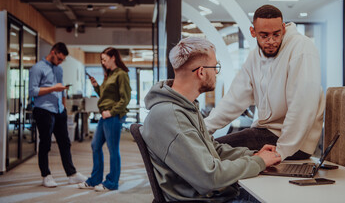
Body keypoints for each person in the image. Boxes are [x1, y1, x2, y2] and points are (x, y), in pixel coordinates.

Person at [140, 37, 281, 202]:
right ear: (201, 72)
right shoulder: (171, 117)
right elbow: (210, 177)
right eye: (215, 67)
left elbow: (214, 151)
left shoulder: (185, 107)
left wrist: (254, 155)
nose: (216, 72)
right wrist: (258, 162)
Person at [205, 4, 325, 161]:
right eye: (264, 35)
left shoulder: (301, 48)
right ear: (253, 32)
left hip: (294, 144)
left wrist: (281, 152)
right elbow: (233, 101)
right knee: (210, 149)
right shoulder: (254, 57)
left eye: (276, 34)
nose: (271, 41)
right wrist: (203, 129)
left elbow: (302, 105)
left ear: (283, 28)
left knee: (212, 152)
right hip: (264, 133)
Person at [29, 42, 87, 188]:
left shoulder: (59, 70)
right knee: (46, 143)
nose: (60, 62)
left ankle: (72, 174)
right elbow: (33, 91)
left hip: (59, 110)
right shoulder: (37, 68)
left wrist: (64, 106)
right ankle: (46, 175)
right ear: (53, 52)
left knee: (65, 142)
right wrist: (53, 88)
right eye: (59, 58)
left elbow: (61, 89)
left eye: (62, 60)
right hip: (43, 110)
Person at [78, 47, 131, 192]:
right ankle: (95, 179)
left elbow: (125, 99)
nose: (103, 62)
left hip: (113, 116)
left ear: (113, 57)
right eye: (101, 60)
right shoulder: (109, 74)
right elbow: (105, 95)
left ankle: (112, 182)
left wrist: (112, 112)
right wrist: (96, 86)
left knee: (113, 149)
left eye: (104, 59)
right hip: (104, 115)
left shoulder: (121, 74)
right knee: (95, 145)